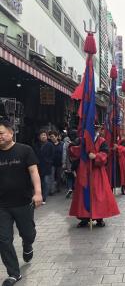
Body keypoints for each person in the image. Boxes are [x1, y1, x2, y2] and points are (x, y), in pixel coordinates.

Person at [0, 120, 43, 286]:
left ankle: (27, 244)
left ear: (11, 133)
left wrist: (38, 193)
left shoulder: (25, 150)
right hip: (2, 205)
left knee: (28, 233)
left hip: (23, 202)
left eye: (1, 133)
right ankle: (13, 273)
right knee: (3, 239)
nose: (0, 137)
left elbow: (34, 171)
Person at [69, 125, 120, 228]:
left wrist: (96, 156)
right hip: (83, 172)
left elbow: (105, 155)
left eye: (96, 129)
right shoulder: (81, 140)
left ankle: (99, 218)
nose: (94, 131)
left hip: (97, 173)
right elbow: (71, 150)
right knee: (82, 196)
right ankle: (84, 218)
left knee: (98, 196)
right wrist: (82, 149)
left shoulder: (102, 141)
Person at [34, 130, 54, 204]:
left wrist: (49, 161)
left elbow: (52, 155)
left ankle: (44, 198)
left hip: (47, 166)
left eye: (44, 135)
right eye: (42, 135)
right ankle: (40, 195)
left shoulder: (50, 145)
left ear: (47, 136)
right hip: (39, 166)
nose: (43, 136)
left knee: (46, 182)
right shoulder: (36, 145)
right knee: (40, 182)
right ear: (39, 137)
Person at [62, 129, 78, 199]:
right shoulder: (78, 142)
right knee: (75, 177)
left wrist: (64, 163)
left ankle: (70, 188)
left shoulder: (66, 143)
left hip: (68, 162)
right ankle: (75, 190)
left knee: (69, 177)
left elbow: (64, 154)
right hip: (76, 162)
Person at [49, 131, 64, 195]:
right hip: (51, 163)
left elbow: (64, 153)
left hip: (59, 163)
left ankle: (58, 187)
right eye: (51, 137)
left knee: (58, 176)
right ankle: (52, 190)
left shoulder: (62, 144)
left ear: (57, 137)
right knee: (51, 176)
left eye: (53, 136)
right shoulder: (49, 144)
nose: (52, 138)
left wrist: (63, 162)